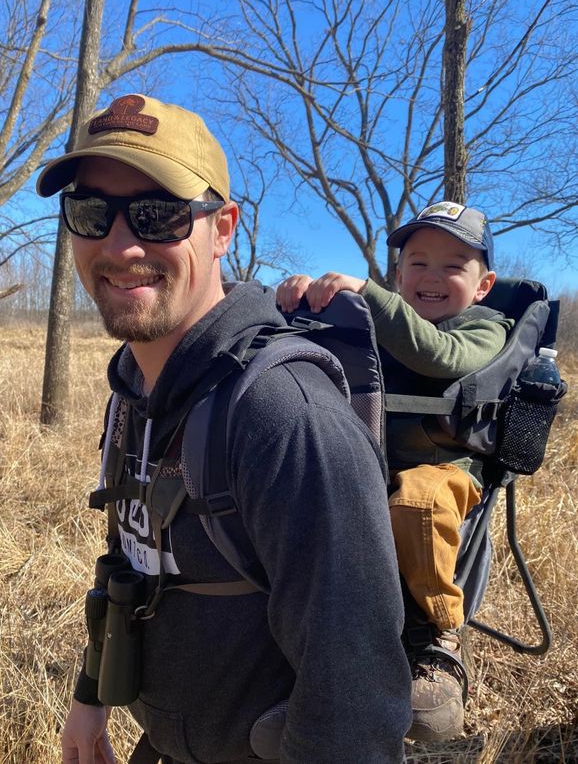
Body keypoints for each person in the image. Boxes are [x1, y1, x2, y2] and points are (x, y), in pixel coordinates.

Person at [36, 93, 412, 764]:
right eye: (91, 212)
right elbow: (128, 556)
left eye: (159, 215)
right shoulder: (132, 389)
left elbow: (354, 708)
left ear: (224, 228)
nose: (120, 245)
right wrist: (88, 698)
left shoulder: (284, 416)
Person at [277, 201, 513, 743]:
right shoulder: (376, 323)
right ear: (399, 273)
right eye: (417, 263)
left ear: (483, 284)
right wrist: (296, 304)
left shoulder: (484, 326)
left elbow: (439, 356)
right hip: (368, 460)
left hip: (448, 471)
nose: (432, 277)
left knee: (417, 501)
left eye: (453, 266)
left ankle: (437, 636)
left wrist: (372, 297)